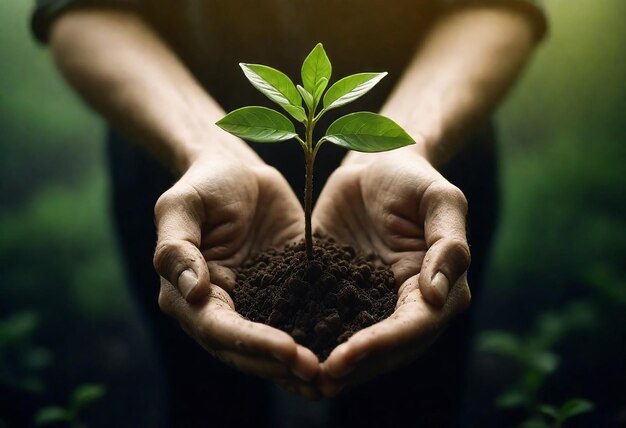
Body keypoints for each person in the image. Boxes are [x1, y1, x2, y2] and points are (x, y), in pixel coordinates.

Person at [33, 0, 546, 426]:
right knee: (209, 404)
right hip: (194, 190)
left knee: (408, 407)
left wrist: (409, 144)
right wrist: (203, 145)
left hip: (412, 192)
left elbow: (498, 7)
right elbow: (80, 10)